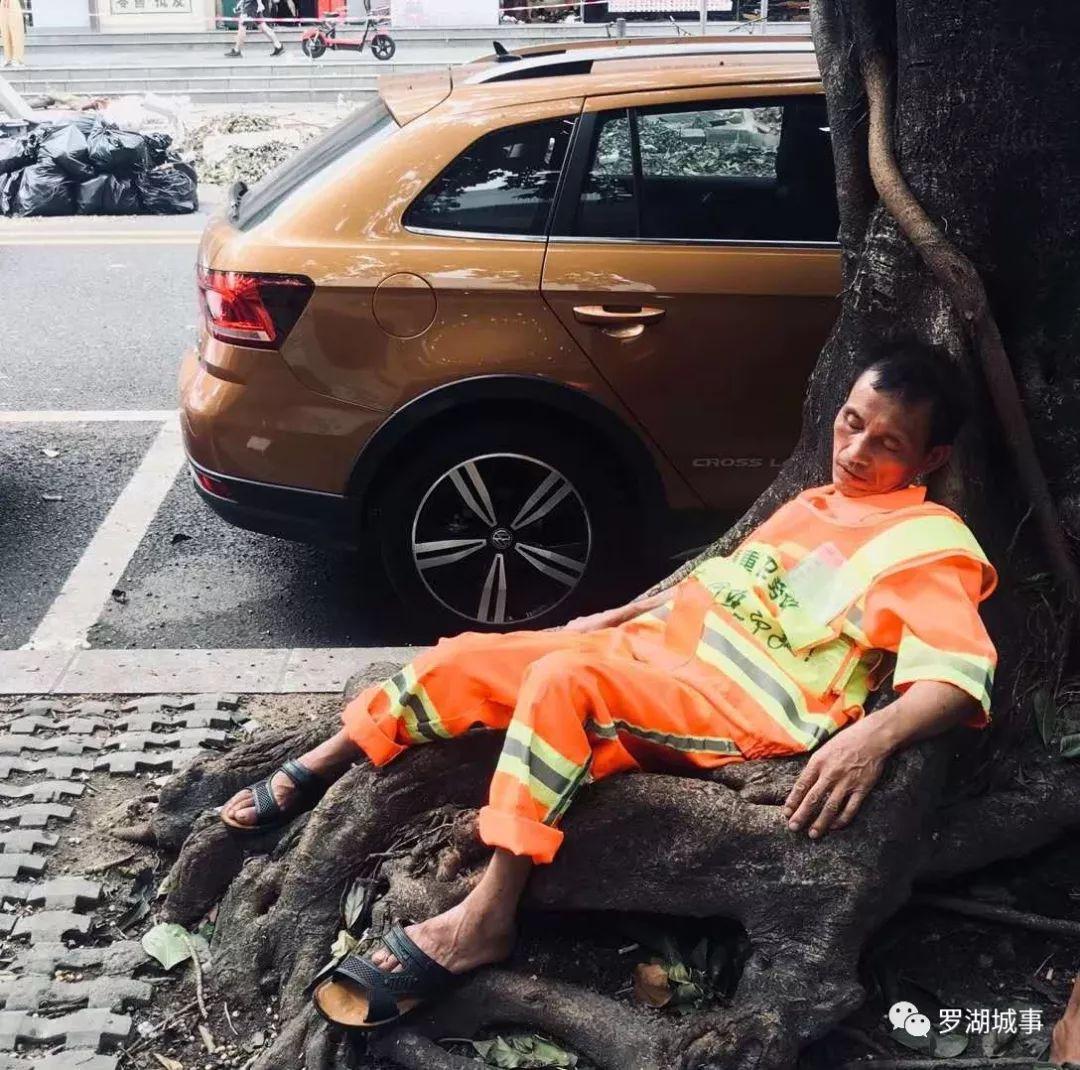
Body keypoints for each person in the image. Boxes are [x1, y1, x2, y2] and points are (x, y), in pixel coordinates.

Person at [219, 344, 1000, 1029]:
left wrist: (871, 739)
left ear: (930, 460)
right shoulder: (815, 502)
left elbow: (959, 677)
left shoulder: (927, 547)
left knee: (563, 681)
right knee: (466, 658)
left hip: (732, 706)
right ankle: (324, 761)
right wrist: (619, 615)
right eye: (851, 422)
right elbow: (723, 584)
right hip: (654, 650)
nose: (856, 451)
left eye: (887, 443)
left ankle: (486, 914)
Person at [0, 0, 26, 69]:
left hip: (14, 3)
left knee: (16, 33)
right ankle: (8, 58)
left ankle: (17, 59)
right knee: (5, 32)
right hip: (3, 5)